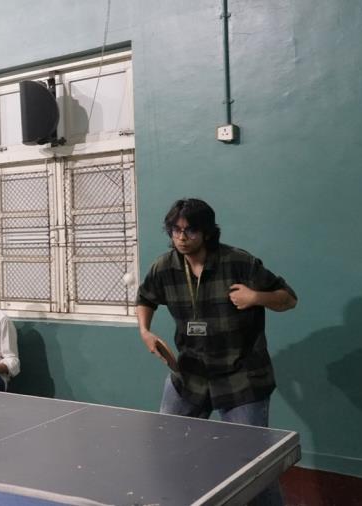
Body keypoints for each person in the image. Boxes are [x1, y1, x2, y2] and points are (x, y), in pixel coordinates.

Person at [136, 198, 296, 506]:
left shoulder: (239, 262)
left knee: (253, 469)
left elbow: (288, 299)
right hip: (189, 376)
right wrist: (145, 331)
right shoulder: (164, 267)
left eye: (190, 231)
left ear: (207, 232)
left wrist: (256, 297)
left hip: (241, 380)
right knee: (168, 451)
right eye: (175, 230)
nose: (182, 237)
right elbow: (146, 298)